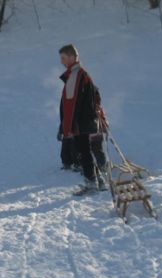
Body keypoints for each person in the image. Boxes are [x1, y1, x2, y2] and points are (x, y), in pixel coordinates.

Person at [58, 44, 104, 195]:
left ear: (72, 57)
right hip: (86, 120)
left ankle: (92, 183)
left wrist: (67, 128)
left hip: (80, 123)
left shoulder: (75, 76)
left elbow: (70, 105)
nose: (62, 62)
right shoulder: (82, 74)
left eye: (63, 58)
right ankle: (98, 180)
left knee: (84, 152)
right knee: (87, 151)